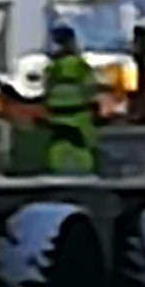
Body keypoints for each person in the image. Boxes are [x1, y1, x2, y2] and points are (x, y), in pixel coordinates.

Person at [34, 22, 98, 176]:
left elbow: (44, 86)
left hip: (58, 113)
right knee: (79, 144)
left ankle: (58, 170)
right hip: (78, 113)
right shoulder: (79, 64)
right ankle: (83, 171)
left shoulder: (52, 66)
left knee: (59, 145)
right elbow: (90, 86)